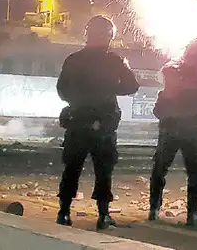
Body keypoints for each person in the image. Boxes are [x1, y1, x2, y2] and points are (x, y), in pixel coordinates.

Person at [55, 15, 139, 230]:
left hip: (78, 120)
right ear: (109, 36)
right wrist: (110, 90)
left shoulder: (73, 59)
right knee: (104, 171)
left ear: (87, 34)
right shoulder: (114, 60)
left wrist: (79, 100)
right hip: (104, 122)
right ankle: (103, 215)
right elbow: (132, 86)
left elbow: (62, 90)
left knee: (72, 168)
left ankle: (64, 212)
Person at [148, 37, 197, 225]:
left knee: (160, 167)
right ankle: (192, 213)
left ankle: (154, 208)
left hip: (170, 127)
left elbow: (165, 98)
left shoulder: (172, 71)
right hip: (192, 129)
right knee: (194, 170)